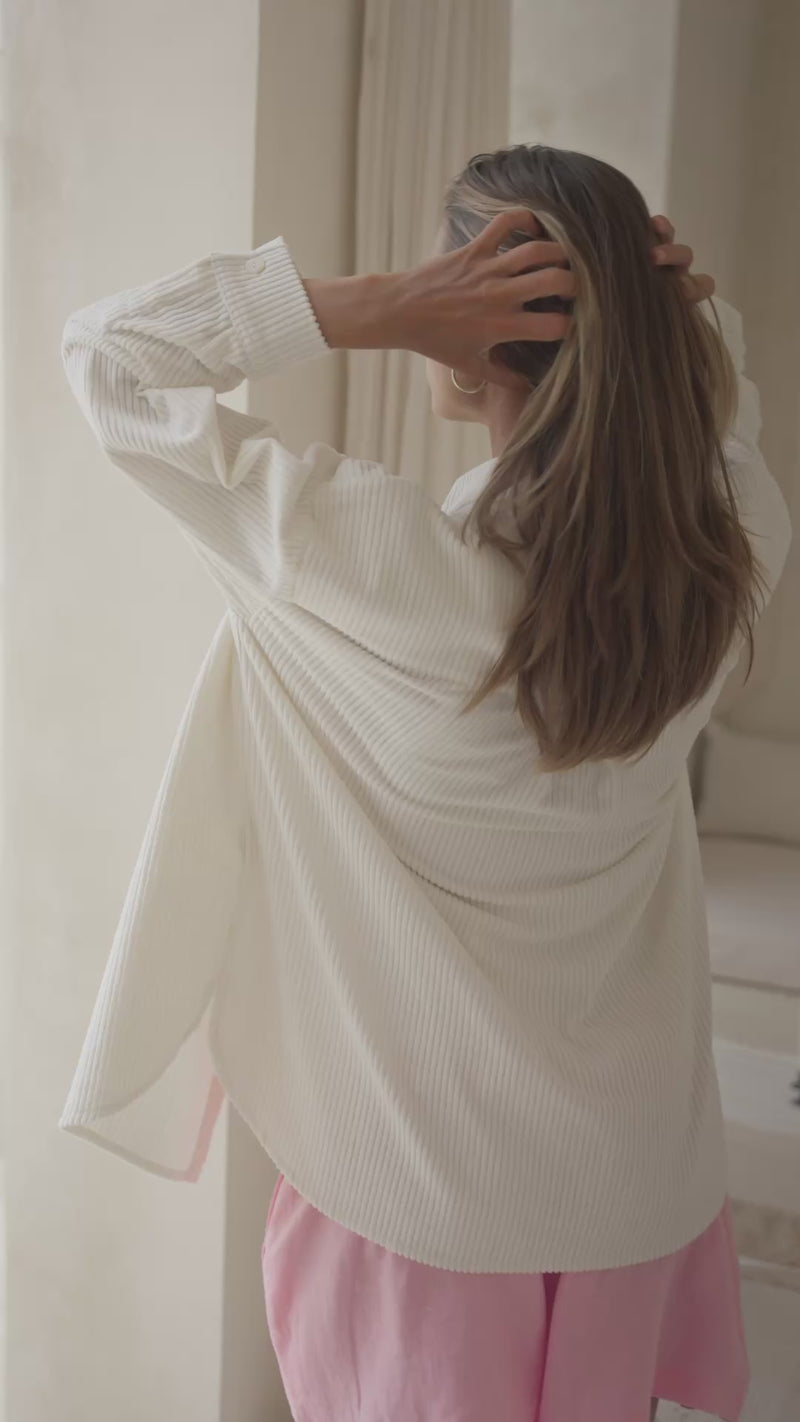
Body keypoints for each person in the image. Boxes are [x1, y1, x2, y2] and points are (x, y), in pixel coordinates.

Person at [59, 144, 792, 1421]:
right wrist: (667, 298)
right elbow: (730, 411)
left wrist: (371, 304)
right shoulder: (724, 565)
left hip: (424, 1212)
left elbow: (104, 358)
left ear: (467, 338)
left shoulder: (381, 568)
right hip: (626, 1198)